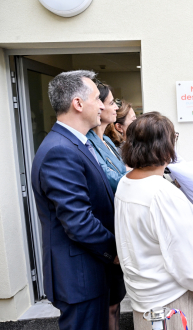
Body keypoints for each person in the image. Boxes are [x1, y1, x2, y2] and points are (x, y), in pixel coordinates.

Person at [31, 70, 119, 330]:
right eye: (97, 98)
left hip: (89, 271)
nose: (102, 104)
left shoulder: (76, 143)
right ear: (78, 104)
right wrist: (116, 252)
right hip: (80, 276)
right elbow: (78, 221)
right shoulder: (61, 150)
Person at [114, 112, 193, 330]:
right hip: (171, 299)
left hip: (142, 296)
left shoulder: (126, 182)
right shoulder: (163, 194)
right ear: (165, 147)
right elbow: (186, 253)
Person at [84, 81, 127, 330]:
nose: (114, 107)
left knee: (116, 298)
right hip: (104, 231)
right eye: (111, 102)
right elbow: (115, 181)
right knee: (108, 302)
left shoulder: (109, 143)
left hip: (117, 226)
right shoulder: (87, 144)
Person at [86, 81, 127, 193]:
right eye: (111, 103)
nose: (116, 108)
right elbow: (108, 178)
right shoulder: (87, 141)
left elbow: (122, 170)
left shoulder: (107, 140)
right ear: (99, 105)